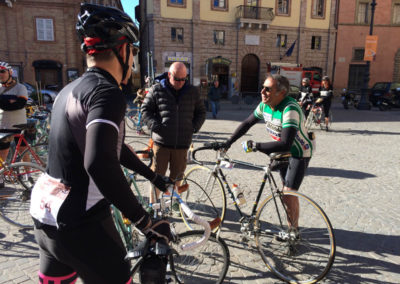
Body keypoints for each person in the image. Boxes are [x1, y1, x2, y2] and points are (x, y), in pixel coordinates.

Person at [29, 4, 173, 284]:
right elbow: (99, 162)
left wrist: (152, 176)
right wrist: (146, 223)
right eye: (133, 51)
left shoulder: (68, 90)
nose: (133, 61)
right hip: (82, 223)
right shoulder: (107, 93)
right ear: (123, 50)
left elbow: (112, 148)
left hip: (45, 215)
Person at [224, 74, 314, 253]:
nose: (262, 91)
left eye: (267, 89)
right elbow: (247, 123)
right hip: (282, 151)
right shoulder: (265, 104)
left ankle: (293, 232)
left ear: (281, 93)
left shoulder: (290, 109)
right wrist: (228, 142)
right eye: (262, 87)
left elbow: (285, 144)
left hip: (299, 152)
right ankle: (290, 226)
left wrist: (256, 146)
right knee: (283, 192)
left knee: (289, 193)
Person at [141, 61, 206, 205]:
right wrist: (155, 126)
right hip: (161, 144)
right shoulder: (157, 89)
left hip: (182, 145)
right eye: (177, 79)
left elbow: (201, 112)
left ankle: (174, 203)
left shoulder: (192, 91)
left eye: (184, 79)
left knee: (177, 178)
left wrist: (193, 127)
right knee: (157, 177)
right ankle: (154, 206)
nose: (181, 82)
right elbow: (145, 110)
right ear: (169, 75)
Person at [0, 61, 30, 188]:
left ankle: (28, 175)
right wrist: (9, 102)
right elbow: (11, 104)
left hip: (19, 125)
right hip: (3, 124)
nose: (0, 74)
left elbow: (20, 104)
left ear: (9, 73)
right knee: (2, 153)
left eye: (2, 71)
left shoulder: (20, 88)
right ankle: (1, 177)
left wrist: (4, 103)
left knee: (23, 151)